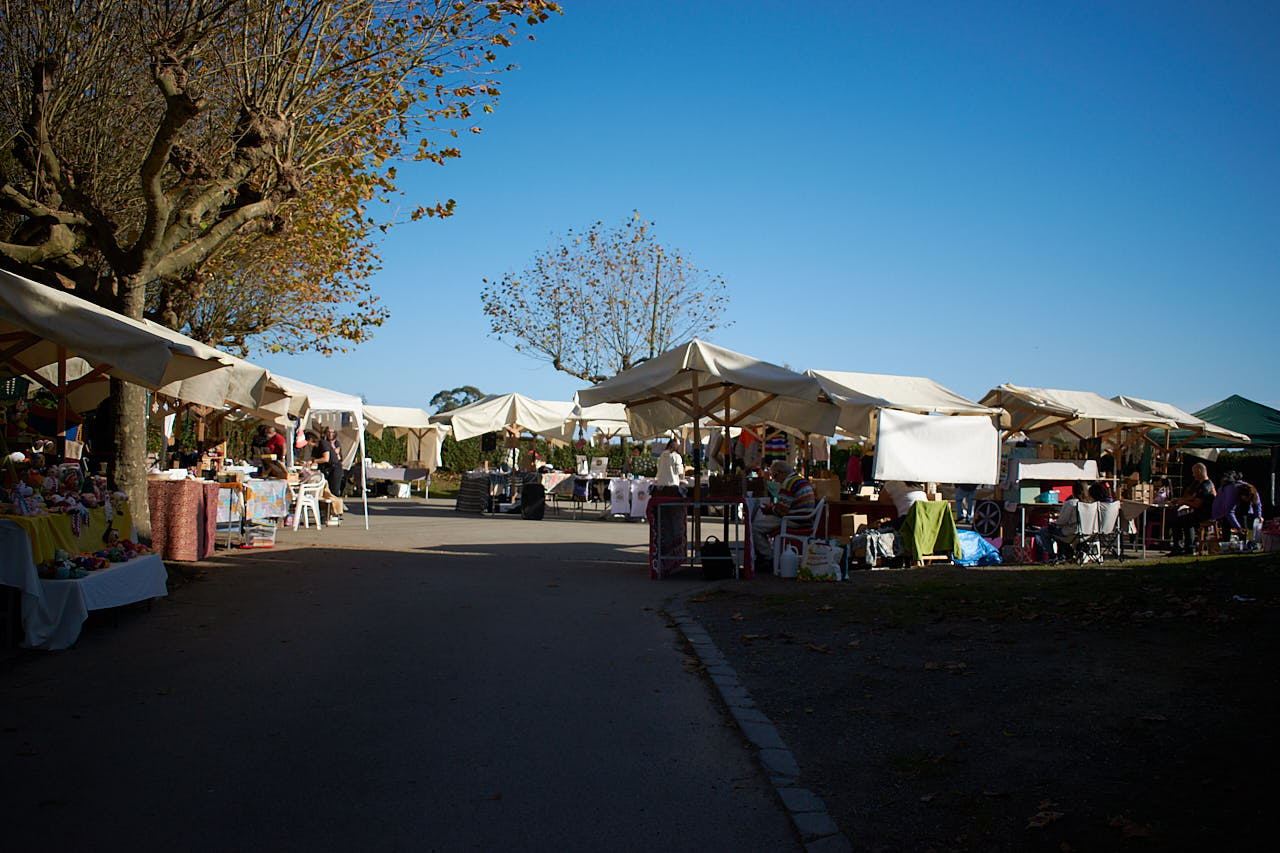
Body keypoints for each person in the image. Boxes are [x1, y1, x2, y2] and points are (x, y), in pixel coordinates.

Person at [752, 460, 817, 569]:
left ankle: (769, 557)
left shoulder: (788, 483)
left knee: (755, 527)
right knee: (762, 524)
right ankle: (770, 556)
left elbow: (780, 511)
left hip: (793, 520)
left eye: (774, 476)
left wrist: (769, 510)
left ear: (781, 473)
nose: (775, 480)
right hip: (803, 519)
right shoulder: (800, 480)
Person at [1168, 462, 1216, 555]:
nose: (1193, 475)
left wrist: (1183, 502)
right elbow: (1193, 497)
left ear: (1199, 471)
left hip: (1205, 514)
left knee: (1178, 521)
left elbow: (1197, 504)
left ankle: (1183, 548)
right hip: (1203, 513)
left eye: (1194, 472)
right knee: (1183, 520)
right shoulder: (1204, 484)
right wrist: (1180, 500)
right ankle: (1187, 547)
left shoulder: (1205, 486)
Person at [1038, 482, 1085, 561]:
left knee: (1045, 531)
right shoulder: (1090, 504)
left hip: (1071, 533)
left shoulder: (1071, 503)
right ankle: (1065, 554)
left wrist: (1054, 523)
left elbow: (1061, 521)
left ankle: (1052, 556)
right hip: (1086, 534)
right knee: (1058, 531)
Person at [312, 427, 344, 524]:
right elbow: (313, 456)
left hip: (334, 468)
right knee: (324, 491)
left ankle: (334, 513)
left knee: (334, 491)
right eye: (328, 432)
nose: (330, 434)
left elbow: (327, 458)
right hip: (325, 468)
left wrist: (314, 461)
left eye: (332, 432)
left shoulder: (328, 443)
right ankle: (325, 513)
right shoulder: (320, 445)